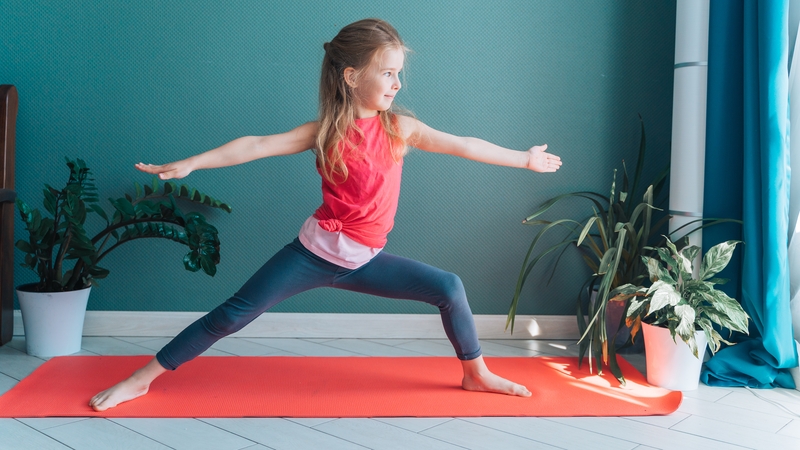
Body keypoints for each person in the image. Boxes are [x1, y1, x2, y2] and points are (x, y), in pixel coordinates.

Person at [90, 18, 561, 412]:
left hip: (366, 259)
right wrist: (195, 162)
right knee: (231, 315)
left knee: (449, 288)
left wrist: (523, 158)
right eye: (387, 73)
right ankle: (142, 378)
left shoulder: (401, 128)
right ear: (352, 76)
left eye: (400, 74)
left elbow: (464, 145)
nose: (397, 83)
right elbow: (256, 145)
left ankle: (475, 374)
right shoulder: (324, 131)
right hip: (313, 254)